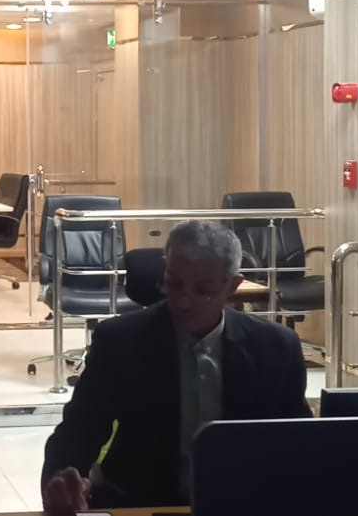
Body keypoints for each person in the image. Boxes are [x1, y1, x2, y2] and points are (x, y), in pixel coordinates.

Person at [40, 220, 311, 513]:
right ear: (164, 269)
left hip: (242, 503)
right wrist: (62, 480)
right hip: (138, 503)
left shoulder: (275, 348)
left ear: (232, 286)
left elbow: (298, 443)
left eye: (203, 290)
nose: (183, 301)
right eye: (174, 283)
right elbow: (79, 431)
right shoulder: (120, 341)